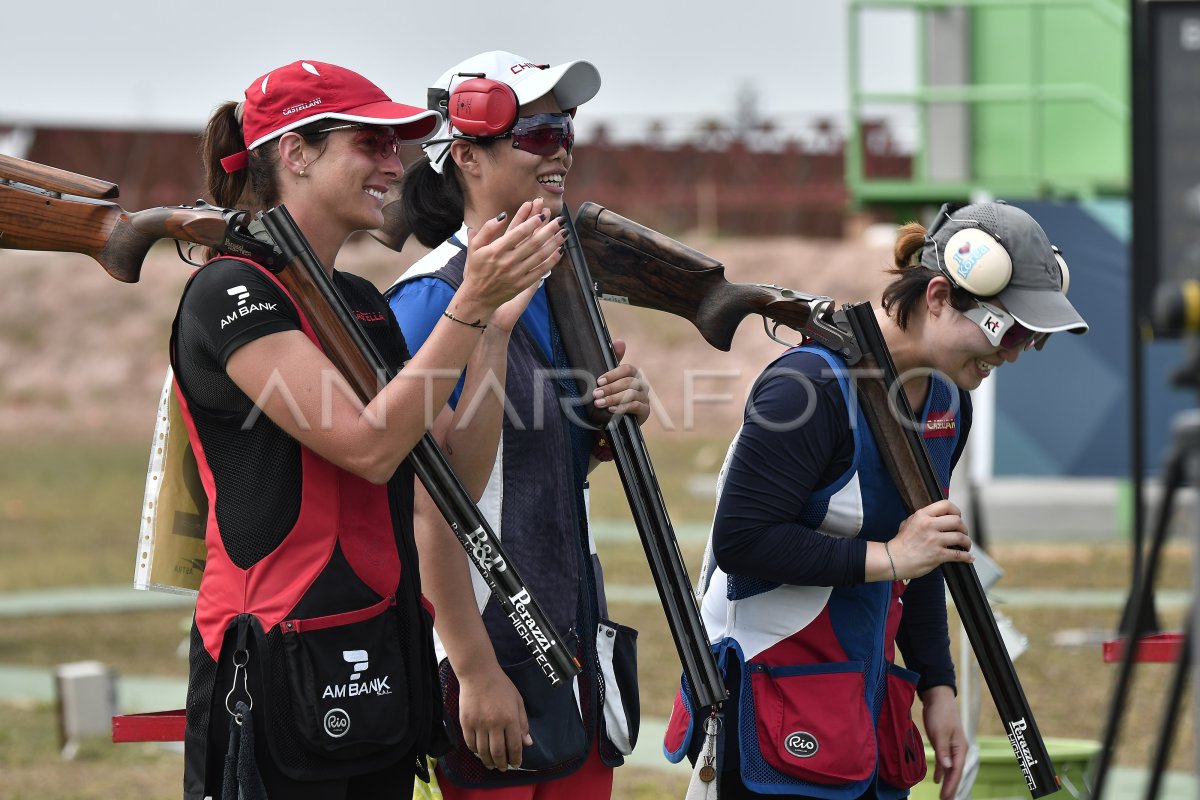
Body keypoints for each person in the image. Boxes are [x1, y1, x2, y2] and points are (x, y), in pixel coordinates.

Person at [177, 59, 564, 800]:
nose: (397, 163)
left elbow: (454, 477)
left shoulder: (356, 299)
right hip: (271, 667)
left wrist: (492, 335)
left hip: (378, 658)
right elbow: (369, 448)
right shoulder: (232, 291)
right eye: (372, 144)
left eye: (398, 145)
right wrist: (468, 306)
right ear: (296, 153)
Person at [663, 201, 1089, 800]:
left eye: (1032, 339)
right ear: (938, 296)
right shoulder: (805, 388)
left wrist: (937, 687)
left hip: (862, 706)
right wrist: (889, 559)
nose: (1015, 352)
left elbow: (926, 554)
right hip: (765, 704)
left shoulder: (947, 403)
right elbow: (743, 540)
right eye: (1009, 330)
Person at [387, 51, 648, 799]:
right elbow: (425, 502)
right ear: (466, 156)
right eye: (537, 132)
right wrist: (471, 668)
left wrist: (615, 415)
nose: (560, 146)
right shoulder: (427, 300)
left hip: (566, 624)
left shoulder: (560, 284)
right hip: (488, 646)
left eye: (567, 127)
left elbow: (540, 466)